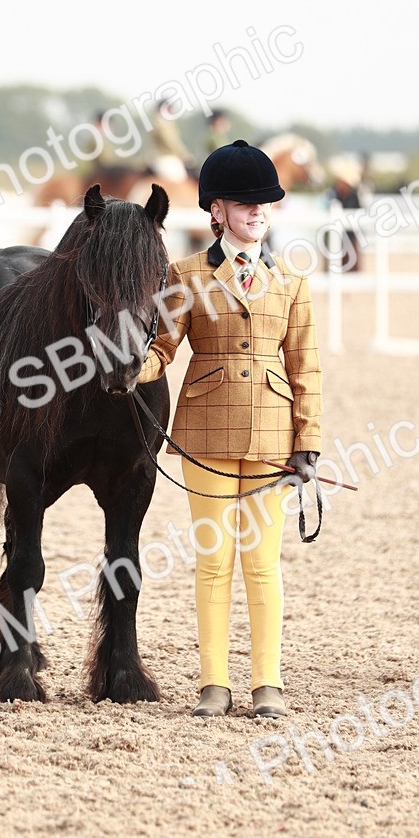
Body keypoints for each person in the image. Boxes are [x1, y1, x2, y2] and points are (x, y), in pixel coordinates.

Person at [136, 140, 322, 719]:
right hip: (206, 435)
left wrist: (308, 442)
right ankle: (213, 683)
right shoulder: (185, 276)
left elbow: (305, 367)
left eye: (264, 202)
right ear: (216, 211)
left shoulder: (292, 282)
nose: (257, 211)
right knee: (214, 562)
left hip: (271, 437)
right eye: (244, 203)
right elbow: (163, 349)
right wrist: (129, 368)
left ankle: (268, 682)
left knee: (262, 563)